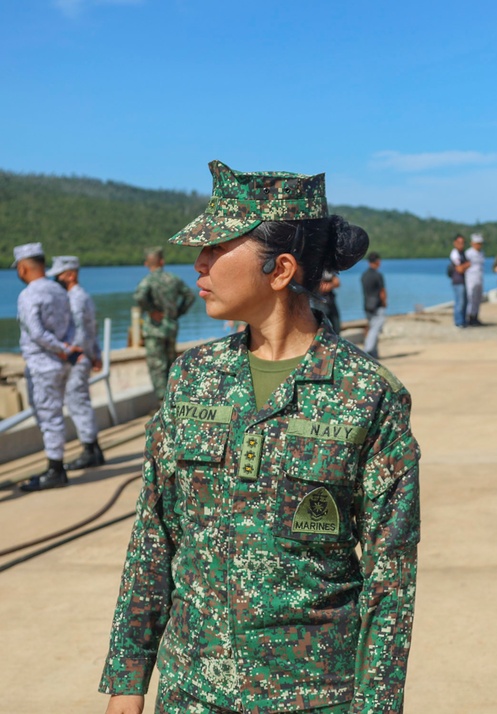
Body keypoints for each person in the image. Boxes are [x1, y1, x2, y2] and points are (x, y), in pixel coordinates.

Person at [100, 160, 420, 714]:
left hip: (313, 696)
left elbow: (390, 577)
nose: (199, 262)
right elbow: (153, 534)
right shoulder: (192, 379)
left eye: (218, 246)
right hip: (191, 690)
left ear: (280, 270)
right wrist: (128, 684)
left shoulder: (370, 395)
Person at [13, 243, 80, 492]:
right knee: (53, 414)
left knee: (48, 416)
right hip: (61, 363)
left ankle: (55, 470)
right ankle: (55, 466)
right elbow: (71, 324)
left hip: (43, 364)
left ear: (22, 268)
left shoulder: (29, 294)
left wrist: (60, 347)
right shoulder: (58, 289)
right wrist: (68, 348)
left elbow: (36, 332)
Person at [47, 255, 105, 470]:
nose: (56, 280)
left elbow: (80, 329)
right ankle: (94, 450)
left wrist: (75, 352)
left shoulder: (74, 298)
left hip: (76, 358)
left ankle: (90, 450)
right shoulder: (83, 296)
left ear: (70, 275)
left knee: (77, 402)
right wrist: (95, 353)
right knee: (80, 401)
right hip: (84, 356)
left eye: (59, 276)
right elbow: (93, 328)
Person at [133, 246, 196, 403]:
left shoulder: (148, 280)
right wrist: (177, 313)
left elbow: (140, 296)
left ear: (147, 263)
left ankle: (163, 402)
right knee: (170, 363)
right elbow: (189, 296)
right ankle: (173, 399)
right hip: (171, 326)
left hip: (155, 328)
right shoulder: (173, 279)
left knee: (157, 366)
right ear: (162, 261)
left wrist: (151, 310)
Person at [361, 251, 387, 359]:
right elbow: (382, 291)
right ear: (377, 261)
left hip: (367, 305)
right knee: (375, 328)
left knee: (372, 326)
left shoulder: (364, 275)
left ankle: (374, 353)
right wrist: (384, 302)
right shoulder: (378, 275)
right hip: (377, 305)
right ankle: (367, 350)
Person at [448, 234, 471, 328]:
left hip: (464, 281)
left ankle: (463, 321)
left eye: (463, 243)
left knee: (465, 302)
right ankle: (458, 322)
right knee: (460, 302)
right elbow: (459, 269)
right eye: (459, 243)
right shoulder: (455, 254)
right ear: (455, 243)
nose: (461, 245)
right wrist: (468, 264)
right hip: (457, 281)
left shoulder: (463, 253)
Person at [465, 233, 486, 326]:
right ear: (472, 243)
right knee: (471, 298)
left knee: (478, 298)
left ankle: (475, 316)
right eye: (477, 243)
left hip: (479, 277)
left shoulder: (481, 253)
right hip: (471, 278)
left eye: (480, 243)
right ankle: (469, 316)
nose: (479, 245)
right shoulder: (468, 253)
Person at [316, 269, 342, 334]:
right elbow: (320, 287)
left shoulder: (329, 269)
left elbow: (337, 283)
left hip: (330, 301)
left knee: (336, 326)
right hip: (317, 302)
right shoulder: (314, 269)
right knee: (320, 327)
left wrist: (330, 285)